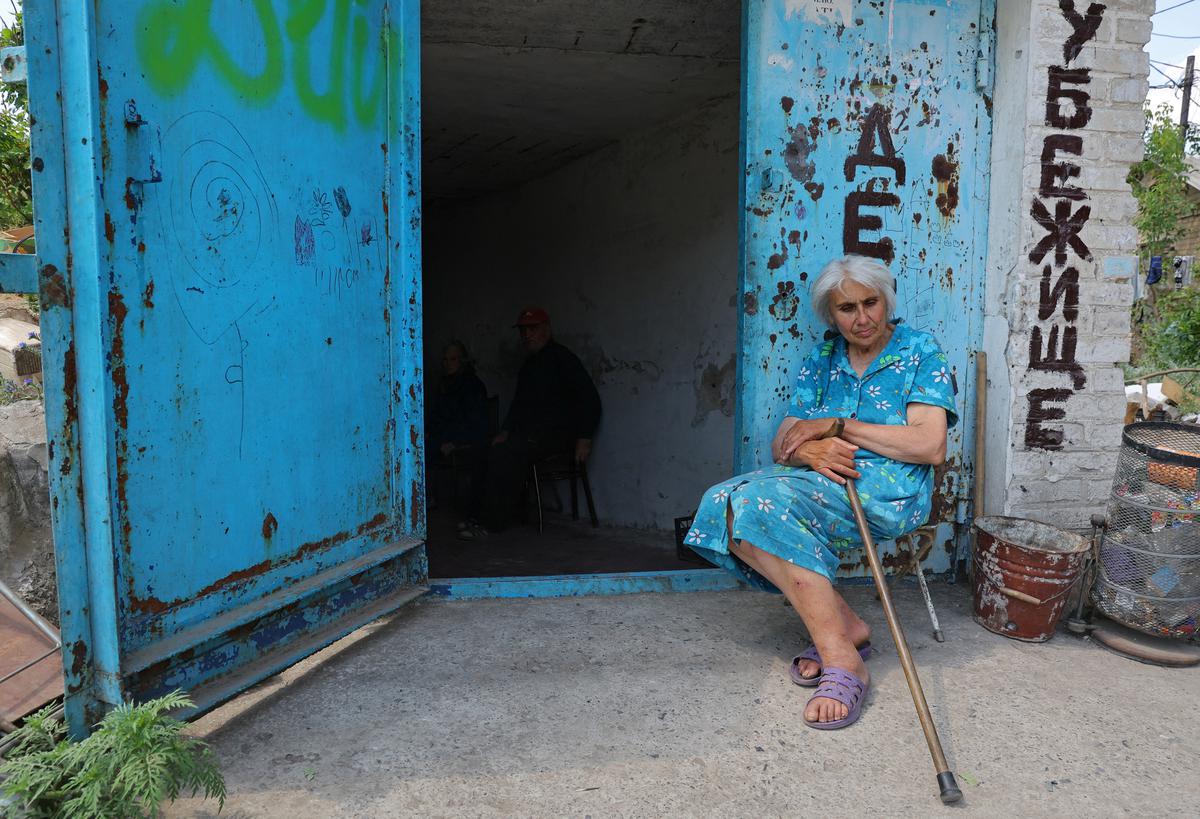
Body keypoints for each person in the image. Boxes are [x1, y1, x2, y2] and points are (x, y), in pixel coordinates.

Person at [683, 255, 956, 730]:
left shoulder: (919, 351)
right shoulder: (823, 358)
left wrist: (838, 427)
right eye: (847, 308)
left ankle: (842, 659)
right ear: (832, 315)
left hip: (888, 490)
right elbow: (786, 441)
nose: (862, 318)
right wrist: (809, 453)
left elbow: (929, 445)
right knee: (723, 506)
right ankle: (846, 627)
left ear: (886, 301)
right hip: (821, 482)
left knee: (759, 509)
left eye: (870, 303)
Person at [466, 307, 601, 537]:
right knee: (485, 449)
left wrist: (585, 436)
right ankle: (476, 516)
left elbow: (590, 399)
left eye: (533, 329)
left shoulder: (562, 358)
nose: (527, 335)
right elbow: (518, 404)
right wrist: (506, 429)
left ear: (547, 330)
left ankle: (490, 524)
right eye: (523, 331)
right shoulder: (529, 365)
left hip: (556, 436)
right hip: (529, 435)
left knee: (505, 454)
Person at [427, 340, 490, 514]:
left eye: (453, 359)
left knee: (428, 449)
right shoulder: (444, 385)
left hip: (463, 436)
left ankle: (428, 498)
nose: (448, 364)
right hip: (444, 434)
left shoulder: (472, 386)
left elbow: (476, 422)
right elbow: (437, 414)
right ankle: (427, 497)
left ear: (462, 361)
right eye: (445, 360)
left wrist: (455, 441)